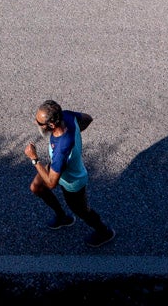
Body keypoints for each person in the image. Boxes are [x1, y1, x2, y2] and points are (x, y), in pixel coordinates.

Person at [24, 99, 116, 248]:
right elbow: (87, 118)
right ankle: (62, 217)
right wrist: (76, 134)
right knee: (37, 187)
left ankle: (104, 232)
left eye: (39, 122)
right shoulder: (66, 115)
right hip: (57, 166)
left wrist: (34, 159)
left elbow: (51, 183)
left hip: (73, 181)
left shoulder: (62, 149)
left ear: (52, 125)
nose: (36, 123)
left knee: (82, 211)